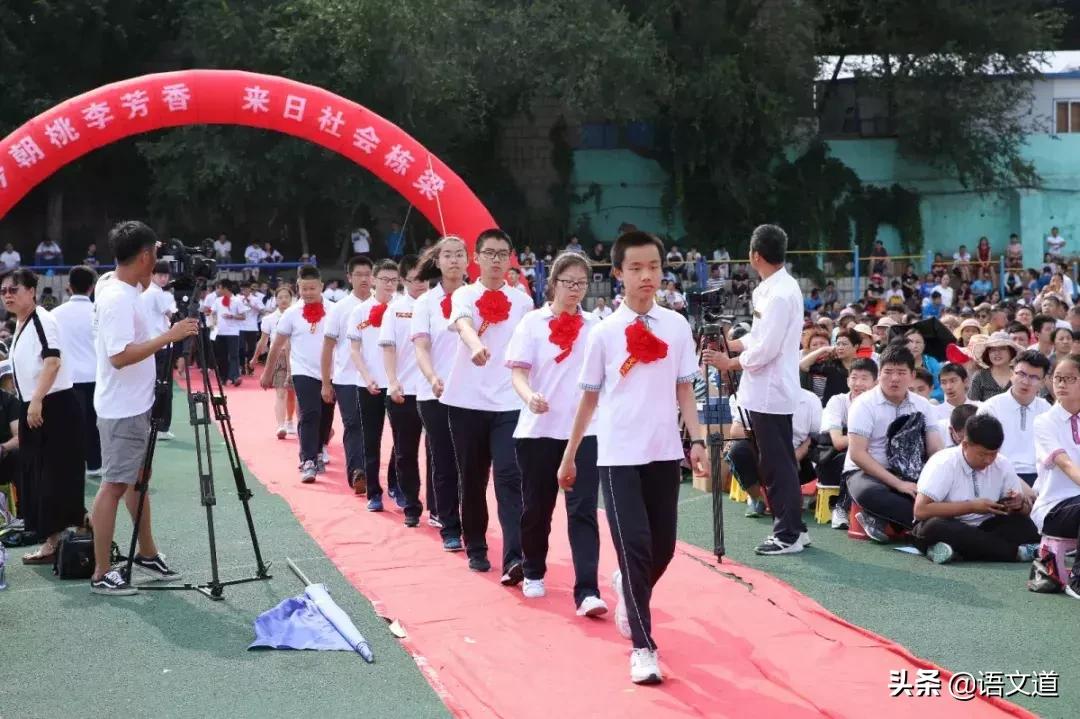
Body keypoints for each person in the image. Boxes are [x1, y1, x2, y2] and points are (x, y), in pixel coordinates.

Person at [558, 231, 706, 685]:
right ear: (618, 273)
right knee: (635, 546)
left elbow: (685, 390)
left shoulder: (676, 326)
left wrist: (697, 441)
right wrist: (570, 455)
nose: (647, 276)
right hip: (618, 455)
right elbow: (588, 400)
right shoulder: (603, 334)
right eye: (636, 268)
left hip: (664, 453)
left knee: (662, 549)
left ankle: (627, 585)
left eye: (654, 267)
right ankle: (643, 648)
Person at [90, 220, 199, 595]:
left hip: (132, 403)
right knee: (114, 485)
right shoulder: (118, 298)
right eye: (153, 254)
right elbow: (119, 356)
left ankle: (147, 553)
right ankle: (102, 571)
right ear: (143, 256)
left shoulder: (116, 284)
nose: (157, 261)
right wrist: (170, 336)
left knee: (137, 480)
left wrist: (152, 247)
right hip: (122, 408)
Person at [506, 252, 606, 617]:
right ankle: (533, 570)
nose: (574, 289)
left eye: (581, 283)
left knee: (583, 511)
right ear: (553, 283)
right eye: (568, 282)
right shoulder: (532, 323)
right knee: (538, 507)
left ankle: (588, 591)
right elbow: (517, 373)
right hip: (539, 432)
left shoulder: (596, 326)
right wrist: (529, 396)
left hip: (585, 433)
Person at [704, 224, 807, 555]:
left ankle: (787, 534)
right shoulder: (775, 288)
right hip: (765, 389)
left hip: (770, 391)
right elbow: (760, 337)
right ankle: (795, 528)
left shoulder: (779, 293)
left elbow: (766, 349)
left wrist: (728, 362)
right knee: (778, 462)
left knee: (777, 464)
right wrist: (734, 344)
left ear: (755, 256)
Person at [440, 229, 532, 580]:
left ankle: (514, 557)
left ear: (510, 259)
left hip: (509, 401)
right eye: (489, 253)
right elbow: (463, 323)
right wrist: (475, 344)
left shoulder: (522, 302)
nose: (496, 260)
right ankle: (476, 546)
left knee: (510, 474)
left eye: (502, 254)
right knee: (473, 478)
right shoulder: (464, 294)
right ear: (476, 258)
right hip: (467, 401)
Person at [4, 269, 85, 567]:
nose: (7, 295)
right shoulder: (22, 323)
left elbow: (52, 361)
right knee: (38, 476)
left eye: (14, 289)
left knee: (54, 476)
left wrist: (36, 400)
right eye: (3, 291)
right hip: (35, 405)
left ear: (31, 291)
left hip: (53, 405)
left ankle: (63, 537)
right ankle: (58, 536)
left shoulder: (42, 319)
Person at [844, 344, 944, 542]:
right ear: (879, 374)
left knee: (934, 496)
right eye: (888, 372)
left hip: (911, 471)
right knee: (871, 493)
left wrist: (934, 479)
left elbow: (935, 449)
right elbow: (857, 454)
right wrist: (898, 484)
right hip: (866, 473)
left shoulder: (923, 405)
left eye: (901, 372)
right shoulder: (863, 404)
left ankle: (889, 521)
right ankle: (931, 532)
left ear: (912, 375)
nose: (894, 378)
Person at [912, 414, 1039, 564]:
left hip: (986, 526)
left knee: (1026, 526)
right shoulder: (943, 462)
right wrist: (971, 507)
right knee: (936, 527)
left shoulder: (1002, 464)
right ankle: (1015, 553)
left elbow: (1024, 512)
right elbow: (920, 510)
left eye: (993, 454)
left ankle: (957, 551)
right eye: (982, 454)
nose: (988, 460)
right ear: (965, 445)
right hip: (949, 524)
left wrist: (1018, 505)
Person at [411, 236, 468, 551]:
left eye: (459, 254)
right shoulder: (425, 303)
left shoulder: (478, 297)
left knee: (470, 465)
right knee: (444, 460)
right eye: (448, 255)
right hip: (434, 394)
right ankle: (450, 526)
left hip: (472, 395)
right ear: (438, 261)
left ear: (468, 260)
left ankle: (472, 524)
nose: (454, 260)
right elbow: (421, 347)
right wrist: (432, 377)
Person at [261, 265, 333, 482]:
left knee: (326, 415)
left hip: (331, 372)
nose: (308, 293)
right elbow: (277, 345)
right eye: (304, 289)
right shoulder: (291, 313)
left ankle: (319, 449)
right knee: (310, 412)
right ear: (298, 288)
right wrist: (267, 373)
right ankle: (308, 460)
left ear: (321, 286)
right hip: (303, 370)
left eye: (313, 288)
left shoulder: (335, 310)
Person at [347, 259, 402, 510]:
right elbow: (354, 349)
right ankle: (374, 492)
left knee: (401, 439)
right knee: (371, 439)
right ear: (374, 280)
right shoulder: (360, 311)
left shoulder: (404, 308)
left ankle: (396, 484)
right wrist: (367, 376)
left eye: (394, 280)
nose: (389, 285)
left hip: (399, 384)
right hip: (368, 384)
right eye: (384, 280)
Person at [378, 255, 428, 527]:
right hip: (404, 391)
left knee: (439, 453)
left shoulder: (441, 305)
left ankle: (440, 508)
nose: (421, 284)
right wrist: (392, 380)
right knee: (406, 451)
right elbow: (388, 347)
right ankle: (411, 504)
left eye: (424, 278)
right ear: (404, 280)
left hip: (435, 392)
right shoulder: (395, 310)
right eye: (415, 279)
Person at [321, 256, 374, 490]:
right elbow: (328, 347)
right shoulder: (339, 309)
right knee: (353, 424)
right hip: (347, 378)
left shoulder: (384, 305)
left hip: (376, 378)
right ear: (349, 278)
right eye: (358, 275)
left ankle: (372, 471)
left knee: (372, 427)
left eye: (367, 274)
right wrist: (326, 382)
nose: (364, 279)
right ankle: (357, 472)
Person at [727, 387, 821, 518]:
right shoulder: (753, 395)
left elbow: (816, 435)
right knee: (738, 451)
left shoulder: (810, 399)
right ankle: (757, 499)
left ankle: (797, 494)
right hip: (762, 453)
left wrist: (796, 455)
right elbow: (735, 430)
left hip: (799, 458)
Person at [1031, 353, 1080, 598]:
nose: (1061, 384)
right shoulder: (1044, 422)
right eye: (1057, 378)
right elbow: (1066, 464)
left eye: (1069, 378)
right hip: (1054, 507)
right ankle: (1077, 580)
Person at [54, 265, 104, 473]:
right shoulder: (98, 312)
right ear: (92, 287)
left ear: (69, 286)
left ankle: (72, 466)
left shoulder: (55, 314)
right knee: (95, 423)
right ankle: (94, 464)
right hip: (96, 376)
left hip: (66, 378)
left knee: (68, 425)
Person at [976, 350, 1052, 486]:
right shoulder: (991, 408)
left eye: (1034, 377)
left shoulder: (1047, 409)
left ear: (1043, 382)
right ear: (1012, 373)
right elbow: (983, 452)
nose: (1026, 381)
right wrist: (1016, 483)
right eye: (1021, 374)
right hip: (999, 475)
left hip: (1040, 477)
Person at [819, 358, 879, 528]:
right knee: (856, 455)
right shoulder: (837, 402)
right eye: (854, 378)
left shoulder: (879, 405)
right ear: (847, 381)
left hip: (869, 460)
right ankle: (841, 507)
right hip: (832, 462)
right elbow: (838, 442)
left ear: (875, 382)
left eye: (864, 378)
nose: (858, 383)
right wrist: (864, 438)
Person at [138, 262, 178, 440]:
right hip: (161, 345)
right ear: (152, 275)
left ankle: (150, 424)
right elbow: (172, 316)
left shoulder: (144, 292)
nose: (163, 278)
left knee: (151, 386)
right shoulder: (157, 293)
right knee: (164, 387)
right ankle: (161, 426)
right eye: (160, 275)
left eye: (166, 275)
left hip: (149, 345)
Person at [252, 286, 297, 438]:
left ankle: (290, 420)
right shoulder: (269, 319)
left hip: (296, 357)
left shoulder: (298, 315)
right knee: (281, 391)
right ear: (275, 300)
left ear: (291, 299)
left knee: (293, 393)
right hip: (278, 356)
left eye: (286, 297)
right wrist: (255, 357)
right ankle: (281, 425)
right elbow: (263, 341)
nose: (283, 300)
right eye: (280, 297)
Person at [208, 280, 247, 386]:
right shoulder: (217, 301)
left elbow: (243, 316)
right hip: (220, 332)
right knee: (222, 356)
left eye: (220, 288)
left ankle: (235, 377)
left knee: (234, 355)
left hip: (233, 332)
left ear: (225, 288)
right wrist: (213, 325)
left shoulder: (237, 300)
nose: (218, 290)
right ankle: (223, 378)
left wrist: (233, 316)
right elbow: (213, 313)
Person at [968, 332, 1020, 401]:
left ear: (1011, 352)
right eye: (992, 350)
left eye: (1002, 348)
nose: (997, 353)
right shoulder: (980, 376)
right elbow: (972, 404)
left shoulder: (1019, 376)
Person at [905, 329, 942, 402]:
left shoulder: (932, 362)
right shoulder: (898, 363)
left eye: (918, 342)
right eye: (910, 342)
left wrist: (922, 396)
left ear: (924, 345)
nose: (914, 346)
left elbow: (941, 388)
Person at [238, 283, 262, 375]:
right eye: (243, 289)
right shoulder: (238, 298)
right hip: (241, 327)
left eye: (246, 289)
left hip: (252, 327)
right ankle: (241, 366)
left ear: (249, 290)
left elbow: (261, 309)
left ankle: (250, 367)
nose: (244, 291)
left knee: (251, 348)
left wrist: (250, 303)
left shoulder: (255, 299)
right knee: (241, 347)